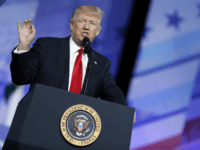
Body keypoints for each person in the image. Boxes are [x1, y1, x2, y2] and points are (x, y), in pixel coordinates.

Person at [10, 5, 127, 106]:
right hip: (41, 119)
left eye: (92, 23)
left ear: (97, 31)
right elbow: (21, 78)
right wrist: (24, 46)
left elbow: (113, 94)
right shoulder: (47, 46)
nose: (86, 27)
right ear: (72, 25)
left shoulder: (101, 63)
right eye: (82, 21)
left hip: (75, 128)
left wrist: (125, 113)